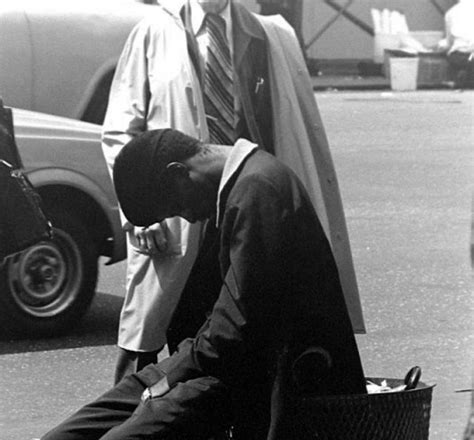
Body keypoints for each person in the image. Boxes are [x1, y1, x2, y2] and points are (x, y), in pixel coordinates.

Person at [35, 129, 366, 440]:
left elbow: (237, 332)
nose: (183, 218)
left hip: (246, 372)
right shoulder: (237, 187)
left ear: (179, 173)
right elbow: (216, 324)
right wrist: (165, 373)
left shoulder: (258, 189)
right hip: (208, 356)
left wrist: (167, 378)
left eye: (174, 207)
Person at [101, 0, 364, 384]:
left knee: (242, 346)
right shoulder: (155, 31)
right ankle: (123, 439)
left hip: (244, 215)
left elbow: (295, 130)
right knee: (156, 351)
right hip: (177, 216)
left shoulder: (269, 34)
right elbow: (120, 132)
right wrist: (138, 216)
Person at [438, 0, 474, 87]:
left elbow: (449, 43)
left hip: (459, 56)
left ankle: (461, 79)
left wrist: (440, 46)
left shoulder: (450, 13)